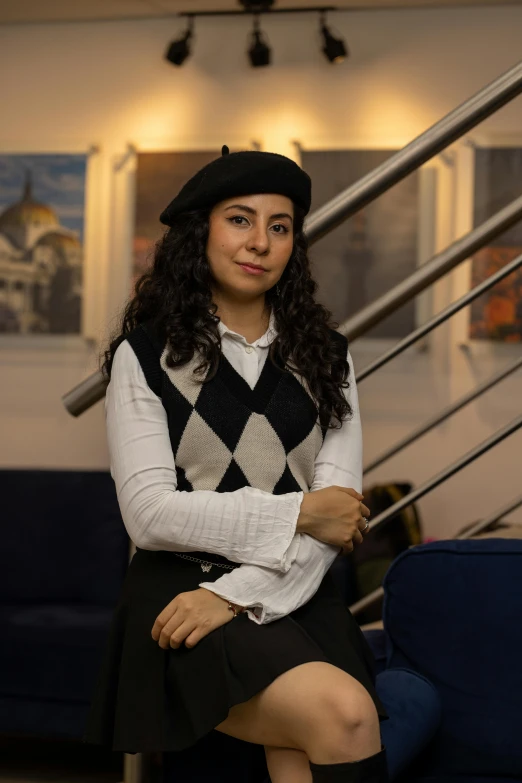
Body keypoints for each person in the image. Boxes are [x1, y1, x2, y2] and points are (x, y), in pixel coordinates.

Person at [83, 146, 388, 783]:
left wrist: (235, 595)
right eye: (240, 220)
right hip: (178, 597)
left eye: (280, 226)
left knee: (311, 741)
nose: (261, 242)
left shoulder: (328, 355)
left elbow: (338, 523)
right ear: (202, 232)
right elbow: (150, 517)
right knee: (344, 715)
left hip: (293, 591)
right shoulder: (146, 355)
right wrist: (299, 512)